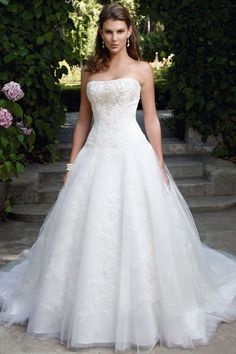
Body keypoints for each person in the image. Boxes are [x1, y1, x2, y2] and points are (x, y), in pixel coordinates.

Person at [0, 3, 236, 353]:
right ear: (101, 32)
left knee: (140, 230)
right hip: (96, 155)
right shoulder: (89, 70)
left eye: (119, 31)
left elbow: (152, 119)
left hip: (133, 155)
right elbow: (82, 121)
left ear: (130, 32)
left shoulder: (142, 69)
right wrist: (70, 166)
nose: (113, 38)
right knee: (90, 230)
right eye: (108, 31)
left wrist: (158, 162)